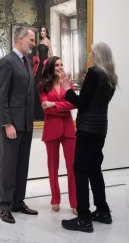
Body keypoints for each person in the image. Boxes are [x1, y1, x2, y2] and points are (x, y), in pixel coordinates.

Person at [61, 42, 117, 232]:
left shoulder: (94, 73)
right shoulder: (110, 77)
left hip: (87, 129)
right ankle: (103, 211)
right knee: (94, 169)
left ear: (97, 55)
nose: (90, 55)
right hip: (101, 129)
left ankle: (83, 218)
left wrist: (66, 88)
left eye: (92, 52)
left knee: (80, 170)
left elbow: (82, 103)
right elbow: (97, 103)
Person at [0, 26, 37, 224]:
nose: (33, 43)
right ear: (20, 39)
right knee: (8, 165)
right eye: (31, 39)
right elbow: (1, 96)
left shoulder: (27, 62)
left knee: (22, 165)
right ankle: (4, 205)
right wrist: (7, 123)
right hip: (12, 125)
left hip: (26, 124)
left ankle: (18, 202)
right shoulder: (7, 62)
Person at [39, 56, 77, 214]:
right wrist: (62, 106)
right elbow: (45, 108)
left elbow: (74, 103)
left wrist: (54, 104)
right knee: (53, 166)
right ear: (51, 68)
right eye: (57, 65)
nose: (60, 67)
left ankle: (75, 203)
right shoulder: (43, 86)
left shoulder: (68, 84)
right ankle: (55, 199)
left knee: (72, 167)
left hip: (68, 128)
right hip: (52, 129)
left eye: (62, 64)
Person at [34, 26, 53, 121]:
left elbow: (51, 55)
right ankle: (36, 113)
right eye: (41, 31)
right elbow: (37, 55)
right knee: (36, 86)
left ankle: (43, 113)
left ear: (46, 32)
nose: (42, 32)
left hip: (44, 65)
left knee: (42, 87)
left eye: (44, 31)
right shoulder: (40, 42)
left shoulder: (47, 41)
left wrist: (46, 65)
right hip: (39, 65)